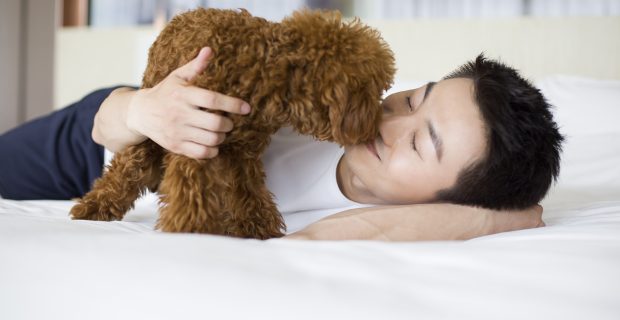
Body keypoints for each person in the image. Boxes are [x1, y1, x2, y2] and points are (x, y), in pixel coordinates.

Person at [0, 47, 563, 241]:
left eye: (420, 146)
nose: (388, 124)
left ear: (449, 201)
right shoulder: (327, 94)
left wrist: (489, 221)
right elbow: (104, 126)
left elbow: (312, 245)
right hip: (108, 142)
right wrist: (143, 109)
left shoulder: (373, 227)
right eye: (414, 99)